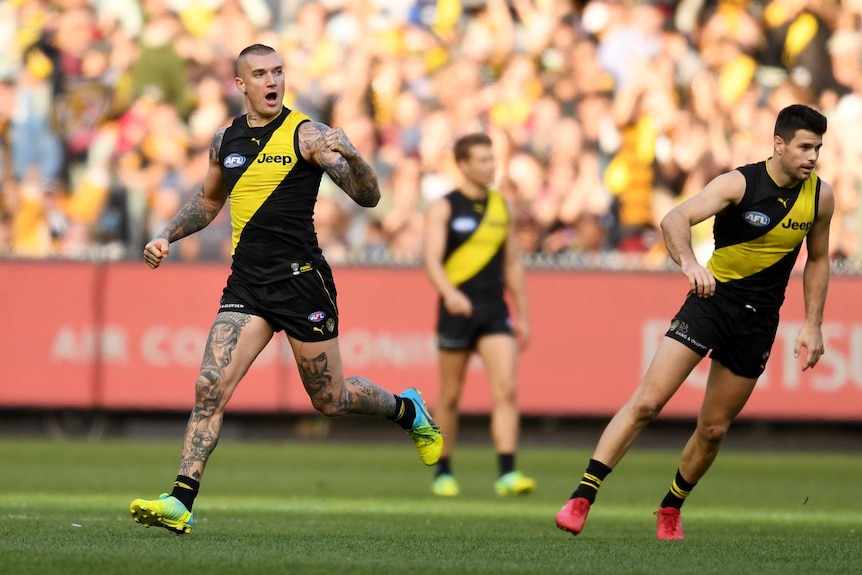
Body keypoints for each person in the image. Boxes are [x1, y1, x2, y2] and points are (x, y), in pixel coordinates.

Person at [129, 44, 442, 535]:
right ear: (242, 85)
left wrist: (355, 154)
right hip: (248, 283)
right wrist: (165, 235)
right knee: (209, 387)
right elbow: (210, 201)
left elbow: (370, 197)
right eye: (260, 74)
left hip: (302, 283)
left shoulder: (307, 134)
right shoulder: (224, 139)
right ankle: (181, 499)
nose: (272, 81)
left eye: (278, 71)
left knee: (331, 400)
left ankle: (408, 409)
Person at [555, 104, 833, 539]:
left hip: (758, 324)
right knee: (647, 402)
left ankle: (670, 507)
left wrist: (813, 323)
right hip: (710, 303)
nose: (813, 156)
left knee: (713, 428)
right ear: (778, 144)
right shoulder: (739, 183)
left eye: (818, 147)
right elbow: (674, 218)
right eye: (804, 147)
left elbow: (818, 259)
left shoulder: (820, 196)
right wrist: (690, 264)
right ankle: (582, 496)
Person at [422, 133, 534, 497]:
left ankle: (507, 472)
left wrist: (524, 314)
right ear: (464, 164)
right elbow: (432, 261)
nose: (490, 166)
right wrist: (450, 294)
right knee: (450, 396)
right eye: (482, 160)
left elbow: (513, 262)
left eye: (492, 158)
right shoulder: (444, 207)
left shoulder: (503, 206)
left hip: (493, 310)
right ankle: (443, 471)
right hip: (456, 310)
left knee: (507, 389)